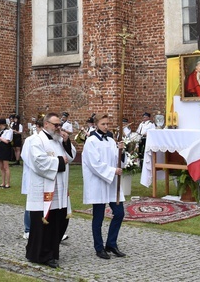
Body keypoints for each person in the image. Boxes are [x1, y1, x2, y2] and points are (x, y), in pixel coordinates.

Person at [25, 113, 76, 269]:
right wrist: (60, 161)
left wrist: (67, 142)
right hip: (42, 191)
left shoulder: (59, 140)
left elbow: (71, 156)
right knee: (43, 226)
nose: (59, 128)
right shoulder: (35, 140)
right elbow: (38, 162)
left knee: (59, 222)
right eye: (56, 125)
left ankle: (51, 252)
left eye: (60, 125)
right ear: (46, 124)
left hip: (59, 191)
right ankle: (42, 255)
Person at [82, 114, 127, 260]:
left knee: (119, 213)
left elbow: (117, 159)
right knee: (99, 216)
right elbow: (94, 163)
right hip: (99, 183)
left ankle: (111, 243)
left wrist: (121, 151)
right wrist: (113, 171)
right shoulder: (91, 141)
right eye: (103, 124)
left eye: (108, 124)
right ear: (96, 125)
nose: (106, 127)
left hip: (112, 183)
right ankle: (99, 247)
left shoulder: (110, 140)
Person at [21, 115, 43, 239]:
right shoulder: (31, 140)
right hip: (32, 174)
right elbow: (26, 156)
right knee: (31, 203)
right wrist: (39, 168)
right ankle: (28, 229)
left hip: (44, 176)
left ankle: (46, 229)